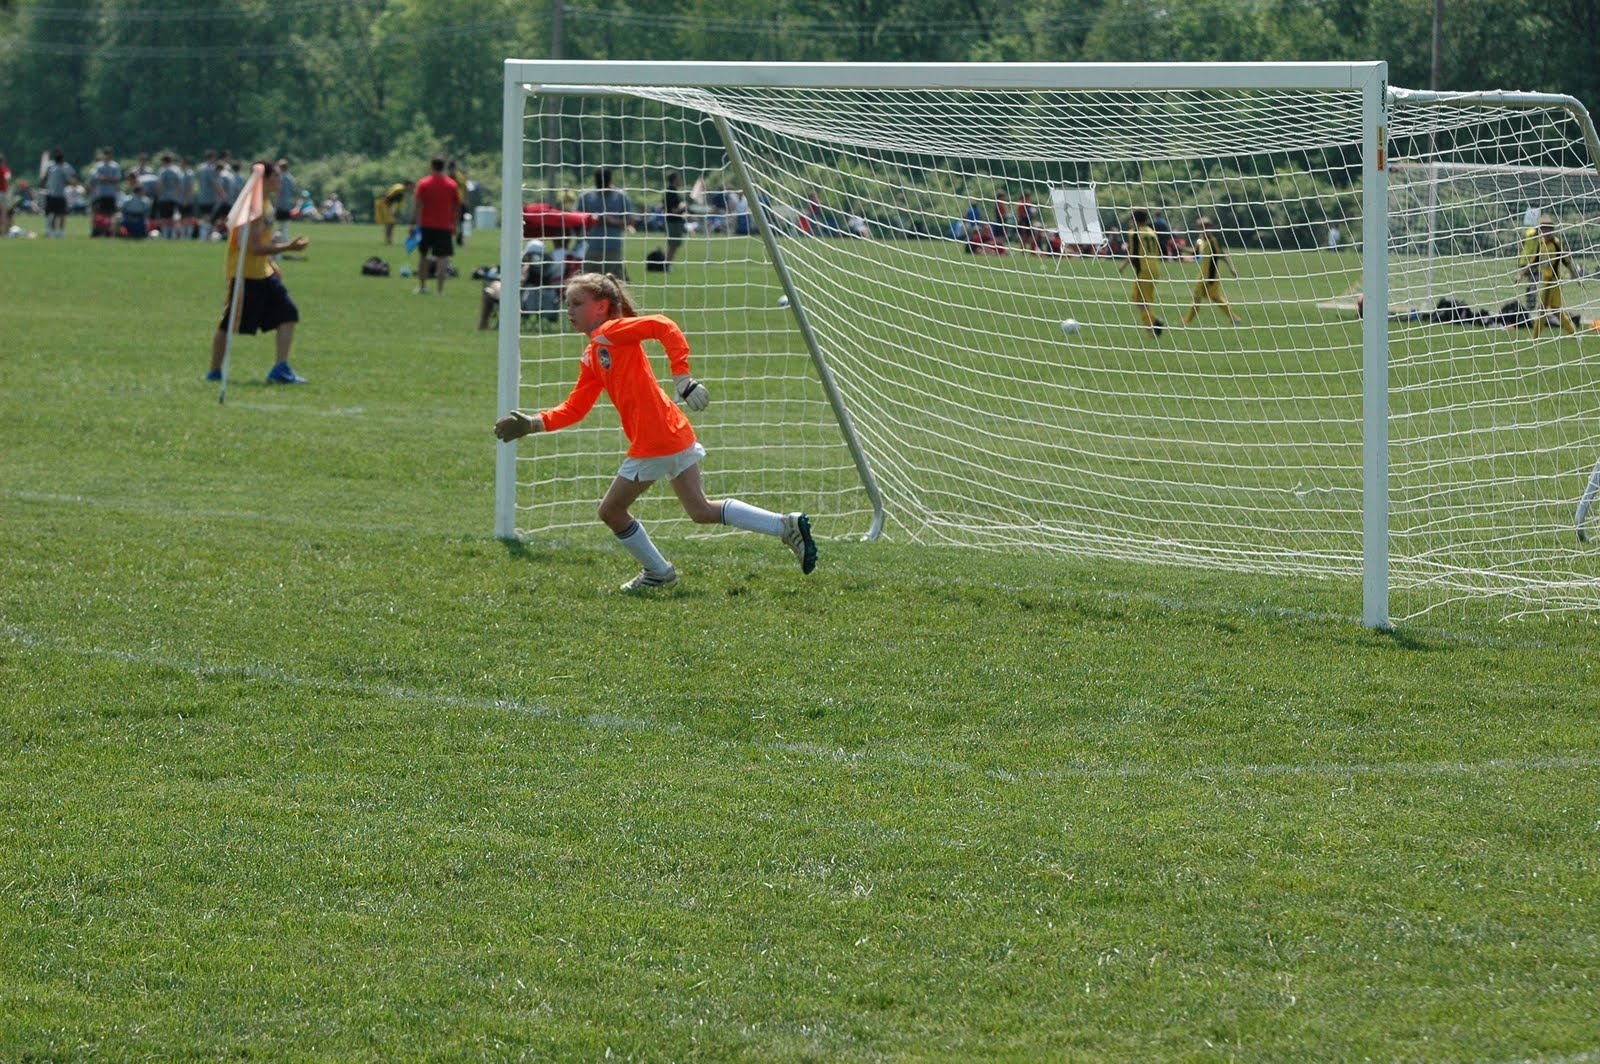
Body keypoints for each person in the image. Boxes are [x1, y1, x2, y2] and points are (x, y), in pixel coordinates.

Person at [492, 272, 818, 591]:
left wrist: (683, 378)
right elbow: (576, 408)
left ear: (602, 307)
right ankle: (784, 525)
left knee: (611, 511)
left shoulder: (611, 331)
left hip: (656, 439)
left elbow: (664, 325)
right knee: (701, 510)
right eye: (567, 304)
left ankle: (658, 572)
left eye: (577, 303)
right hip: (672, 431)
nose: (569, 311)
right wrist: (533, 423)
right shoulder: (594, 353)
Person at [206, 161, 312, 385]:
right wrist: (289, 247)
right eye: (276, 177)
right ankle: (214, 372)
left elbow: (261, 242)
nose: (280, 181)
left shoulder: (265, 204)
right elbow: (253, 247)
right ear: (264, 179)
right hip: (245, 275)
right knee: (229, 324)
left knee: (288, 313)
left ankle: (280, 369)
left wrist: (271, 263)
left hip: (263, 272)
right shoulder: (254, 209)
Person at [1181, 217, 1242, 325]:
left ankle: (1235, 318)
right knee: (1199, 298)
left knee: (1212, 297)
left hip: (1211, 275)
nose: (1205, 230)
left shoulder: (1213, 241)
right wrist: (1181, 248)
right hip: (1202, 275)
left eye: (1207, 227)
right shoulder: (1200, 242)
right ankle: (1187, 320)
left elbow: (1222, 255)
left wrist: (1231, 268)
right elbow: (1194, 253)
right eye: (1202, 227)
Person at [411, 156, 459, 295]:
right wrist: (454, 223)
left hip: (426, 225)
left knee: (423, 256)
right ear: (443, 167)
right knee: (442, 258)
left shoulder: (424, 183)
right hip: (444, 225)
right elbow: (457, 206)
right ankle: (440, 290)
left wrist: (413, 223)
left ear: (431, 166)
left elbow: (418, 204)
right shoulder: (452, 184)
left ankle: (423, 286)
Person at [1529, 214, 1581, 338]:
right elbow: (1534, 261)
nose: (1546, 231)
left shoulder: (1556, 243)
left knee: (1543, 309)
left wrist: (1576, 277)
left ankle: (1534, 338)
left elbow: (1566, 261)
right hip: (1546, 280)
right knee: (1555, 310)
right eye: (1543, 228)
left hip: (1553, 281)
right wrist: (1520, 274)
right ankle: (1574, 334)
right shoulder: (1541, 243)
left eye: (1548, 228)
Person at [575, 168, 632, 280]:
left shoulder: (620, 196)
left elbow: (630, 220)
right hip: (589, 247)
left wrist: (611, 221)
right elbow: (575, 218)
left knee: (614, 283)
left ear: (610, 180)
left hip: (612, 247)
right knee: (586, 283)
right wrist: (591, 220)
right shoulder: (586, 196)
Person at [1117, 208, 1165, 337]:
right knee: (1138, 299)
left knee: (1141, 301)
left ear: (1134, 219)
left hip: (1144, 269)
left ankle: (1153, 326)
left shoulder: (1134, 233)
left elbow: (1134, 254)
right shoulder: (1151, 231)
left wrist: (1123, 266)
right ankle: (1153, 323)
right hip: (1155, 268)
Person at [43, 149, 76, 238]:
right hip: (60, 195)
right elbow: (68, 180)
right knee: (62, 215)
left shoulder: (51, 168)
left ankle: (52, 232)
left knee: (53, 214)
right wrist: (75, 183)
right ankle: (60, 232)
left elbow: (45, 179)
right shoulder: (62, 169)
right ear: (62, 160)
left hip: (51, 194)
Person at [661, 170, 687, 268]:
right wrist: (683, 207)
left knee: (674, 245)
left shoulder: (672, 191)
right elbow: (673, 210)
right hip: (673, 222)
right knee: (673, 245)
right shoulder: (671, 192)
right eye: (679, 178)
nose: (680, 180)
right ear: (675, 179)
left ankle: (667, 263)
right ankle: (667, 264)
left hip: (674, 221)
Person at [154, 153, 183, 238]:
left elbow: (160, 185)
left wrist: (158, 195)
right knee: (172, 217)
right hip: (174, 197)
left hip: (164, 197)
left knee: (164, 218)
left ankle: (165, 235)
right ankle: (173, 235)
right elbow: (179, 185)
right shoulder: (177, 170)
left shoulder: (163, 170)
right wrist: (177, 196)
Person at [1517, 216, 1542, 311]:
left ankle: (1530, 303)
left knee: (1532, 283)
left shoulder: (1531, 233)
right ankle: (1530, 304)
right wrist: (1520, 253)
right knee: (1533, 283)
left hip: (1530, 262)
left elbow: (1520, 243)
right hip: (1528, 261)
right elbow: (1521, 243)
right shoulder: (1532, 234)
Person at [375, 179, 411, 244]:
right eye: (411, 186)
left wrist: (397, 211)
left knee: (391, 222)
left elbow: (399, 203)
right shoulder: (400, 188)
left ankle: (388, 240)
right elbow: (391, 193)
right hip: (383, 203)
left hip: (386, 205)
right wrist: (388, 197)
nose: (412, 188)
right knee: (390, 222)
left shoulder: (402, 192)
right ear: (407, 185)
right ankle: (388, 240)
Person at [88, 148, 121, 219]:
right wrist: (110, 179)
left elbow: (116, 179)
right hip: (101, 194)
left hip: (111, 194)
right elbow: (97, 178)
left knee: (111, 214)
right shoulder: (98, 166)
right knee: (100, 214)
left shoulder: (115, 166)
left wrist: (104, 179)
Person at [0, 154, 11, 235]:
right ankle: (5, 232)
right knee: (4, 212)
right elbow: (7, 179)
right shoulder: (6, 170)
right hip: (3, 192)